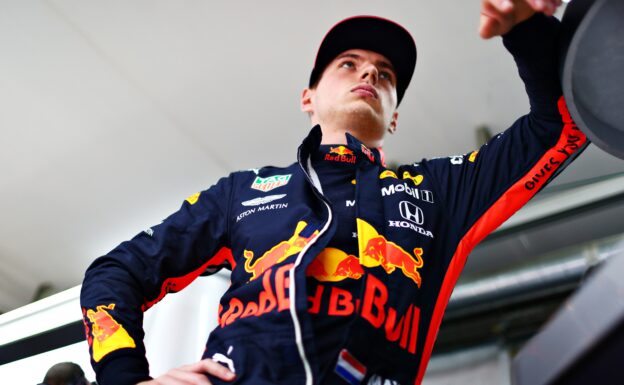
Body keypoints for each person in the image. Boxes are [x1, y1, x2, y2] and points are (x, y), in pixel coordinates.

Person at [80, 0, 586, 384]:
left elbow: (559, 127)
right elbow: (115, 273)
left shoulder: (438, 192)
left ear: (394, 116)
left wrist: (527, 29)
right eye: (349, 63)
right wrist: (126, 377)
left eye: (385, 75)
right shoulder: (242, 193)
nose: (369, 72)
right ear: (308, 97)